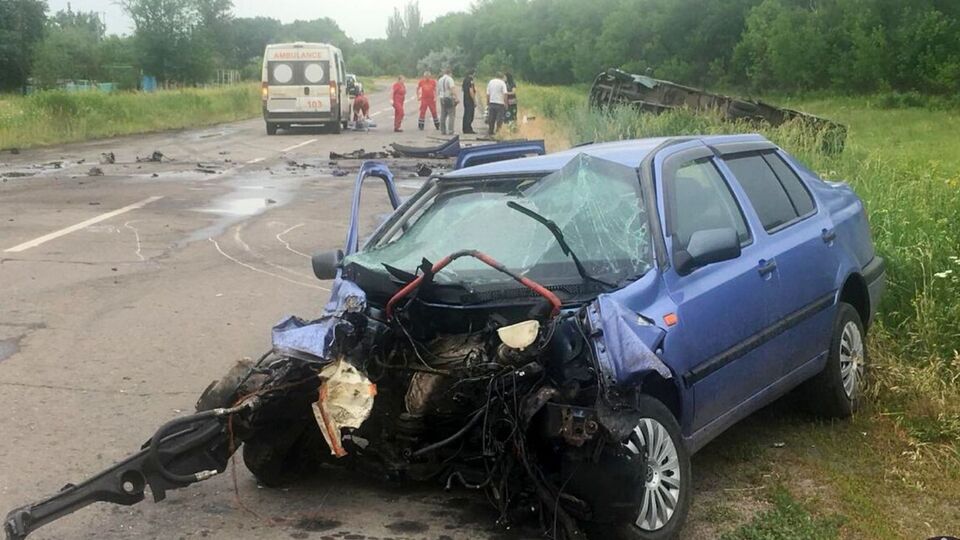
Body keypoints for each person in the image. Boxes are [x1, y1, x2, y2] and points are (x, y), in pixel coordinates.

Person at [486, 71, 508, 136]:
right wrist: (506, 103)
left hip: (492, 102)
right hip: (500, 103)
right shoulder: (502, 83)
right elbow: (505, 94)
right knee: (499, 119)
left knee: (491, 118)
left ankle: (490, 131)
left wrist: (487, 102)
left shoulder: (490, 82)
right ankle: (498, 132)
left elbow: (488, 93)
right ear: (501, 77)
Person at [437, 67, 457, 136]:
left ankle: (443, 130)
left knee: (443, 114)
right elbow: (452, 88)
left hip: (442, 98)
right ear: (450, 73)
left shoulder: (440, 79)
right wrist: (456, 97)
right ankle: (450, 130)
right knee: (451, 115)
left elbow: (438, 90)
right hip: (449, 97)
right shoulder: (449, 79)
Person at [461, 70, 477, 134]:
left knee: (466, 114)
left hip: (465, 99)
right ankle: (468, 129)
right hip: (469, 100)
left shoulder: (465, 80)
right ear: (473, 74)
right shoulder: (471, 80)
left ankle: (464, 128)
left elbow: (462, 89)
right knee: (470, 115)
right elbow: (471, 91)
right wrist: (474, 100)